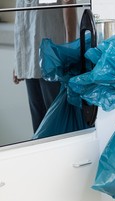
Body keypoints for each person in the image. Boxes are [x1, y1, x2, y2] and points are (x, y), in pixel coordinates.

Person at [13, 0, 77, 132]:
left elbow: (69, 3)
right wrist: (19, 60)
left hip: (52, 56)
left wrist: (70, 50)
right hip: (29, 58)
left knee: (55, 121)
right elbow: (22, 17)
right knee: (38, 123)